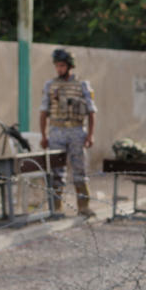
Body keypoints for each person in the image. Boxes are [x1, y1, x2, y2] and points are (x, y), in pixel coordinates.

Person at [39, 48, 97, 217]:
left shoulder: (82, 85)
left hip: (77, 130)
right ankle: (56, 208)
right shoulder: (50, 86)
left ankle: (84, 206)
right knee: (57, 171)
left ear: (70, 66)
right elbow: (43, 111)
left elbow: (91, 112)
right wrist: (44, 135)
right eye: (57, 65)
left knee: (80, 170)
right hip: (56, 131)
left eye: (62, 65)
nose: (59, 69)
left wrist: (90, 135)